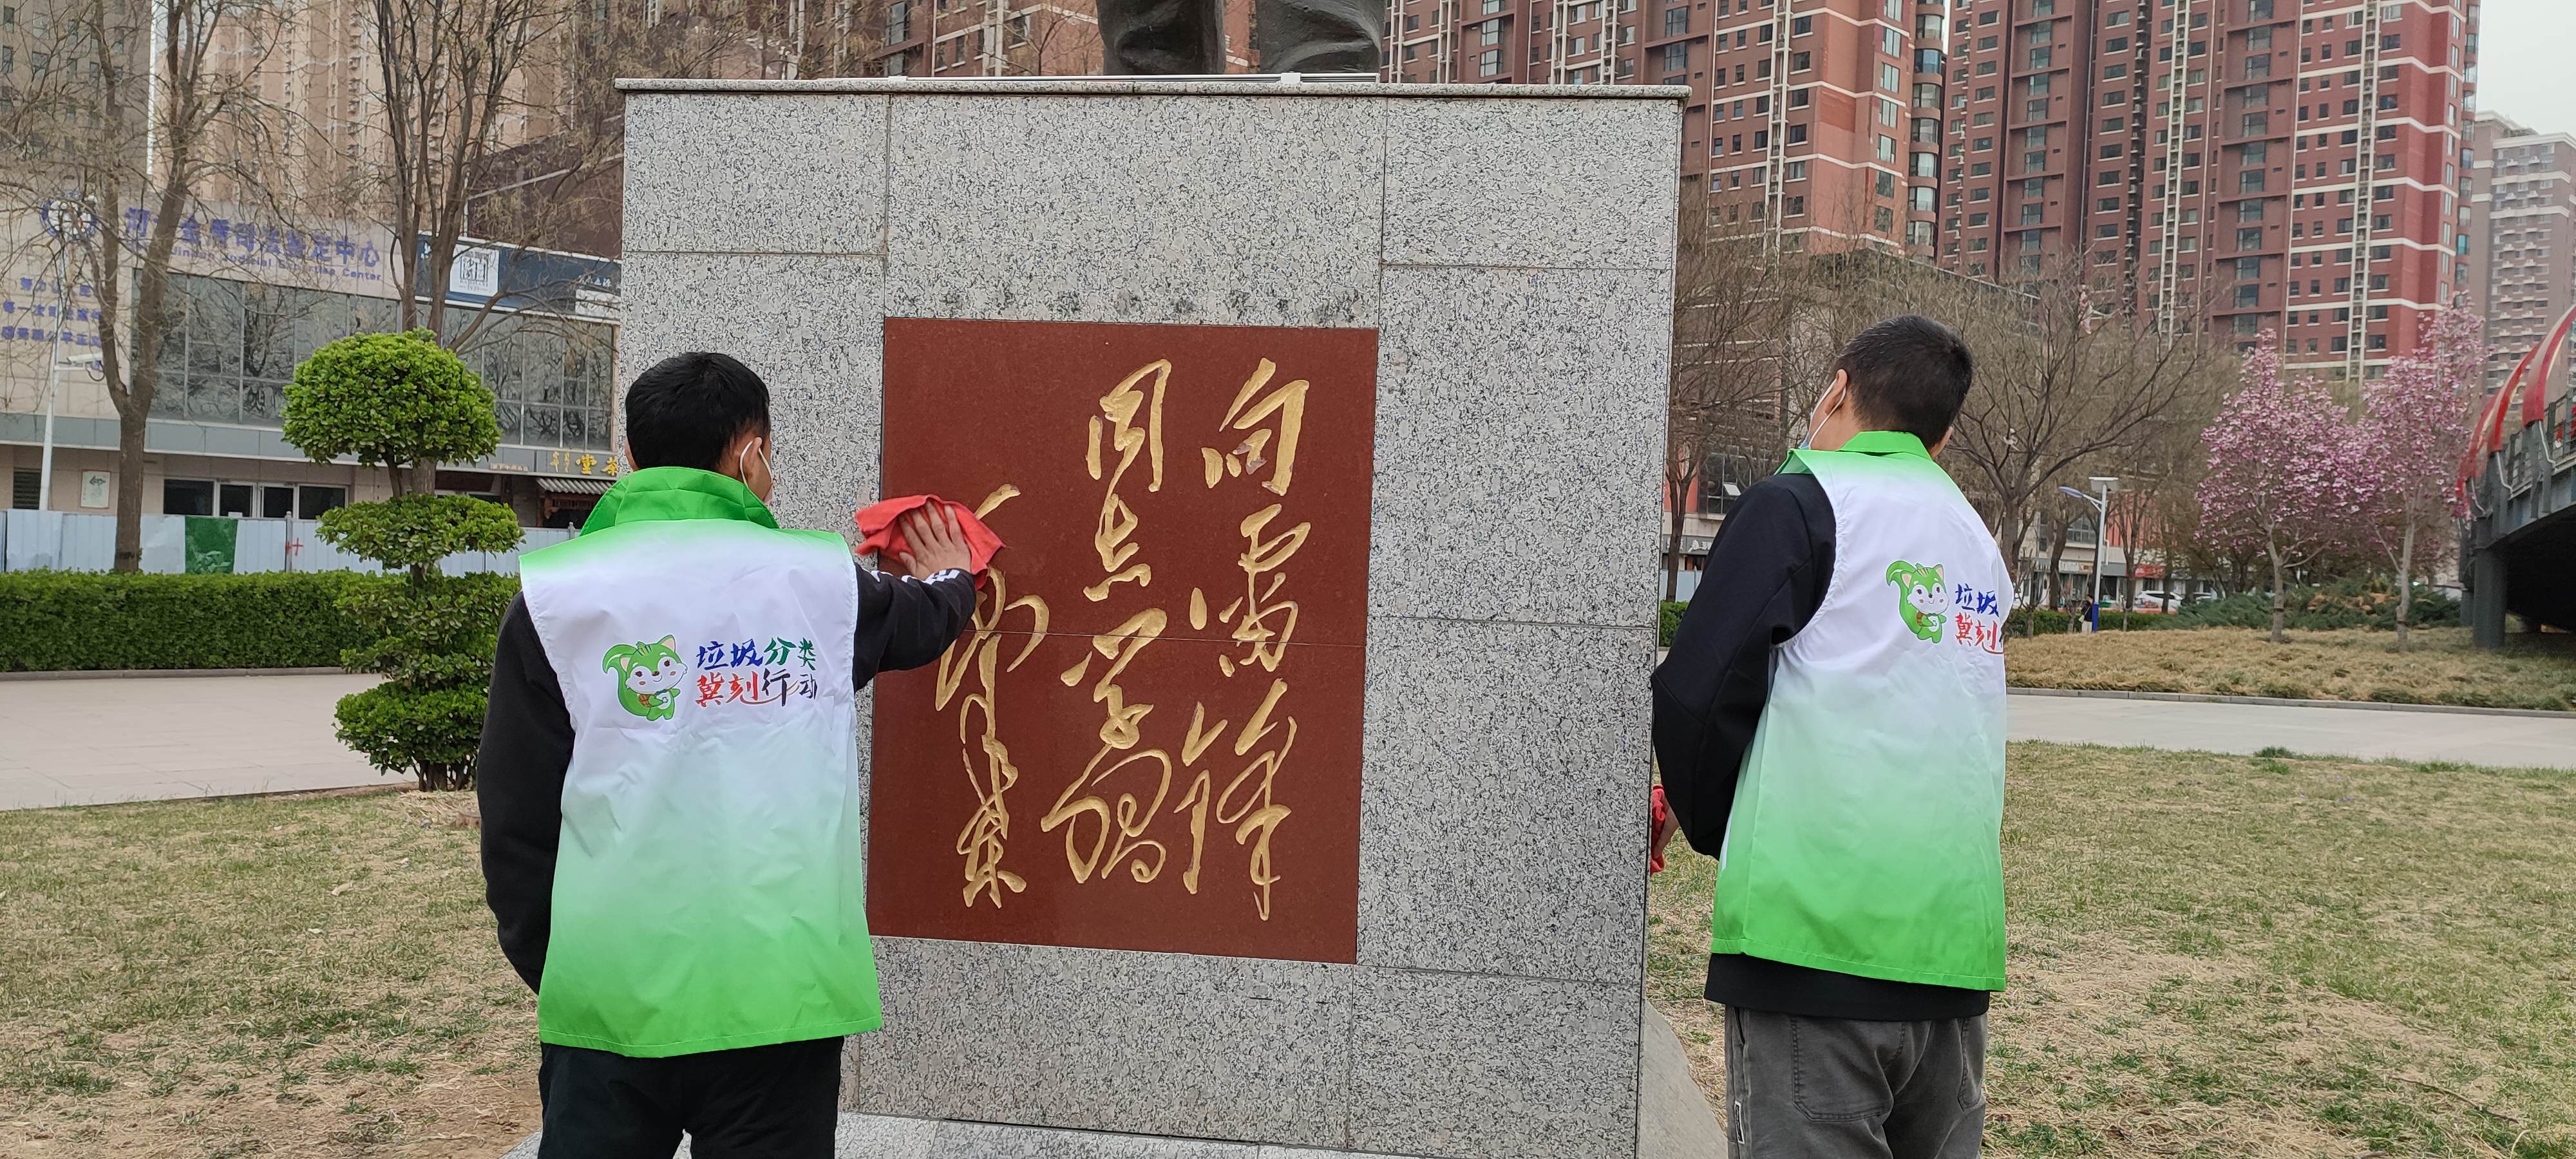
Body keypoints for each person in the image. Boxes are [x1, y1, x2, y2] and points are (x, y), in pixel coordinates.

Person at [477, 352, 981, 1159]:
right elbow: (922, 620)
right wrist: (954, 575)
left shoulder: (554, 597)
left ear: (632, 455)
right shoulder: (821, 583)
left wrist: (562, 964)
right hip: (778, 995)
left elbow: (515, 814)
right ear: (752, 455)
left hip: (611, 992)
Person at [1649, 316, 2008, 1158]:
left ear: (1838, 388)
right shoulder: (1974, 537)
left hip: (1810, 948)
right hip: (1952, 960)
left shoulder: (1799, 505)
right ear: (1941, 435)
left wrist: (1714, 823)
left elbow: (1699, 694)